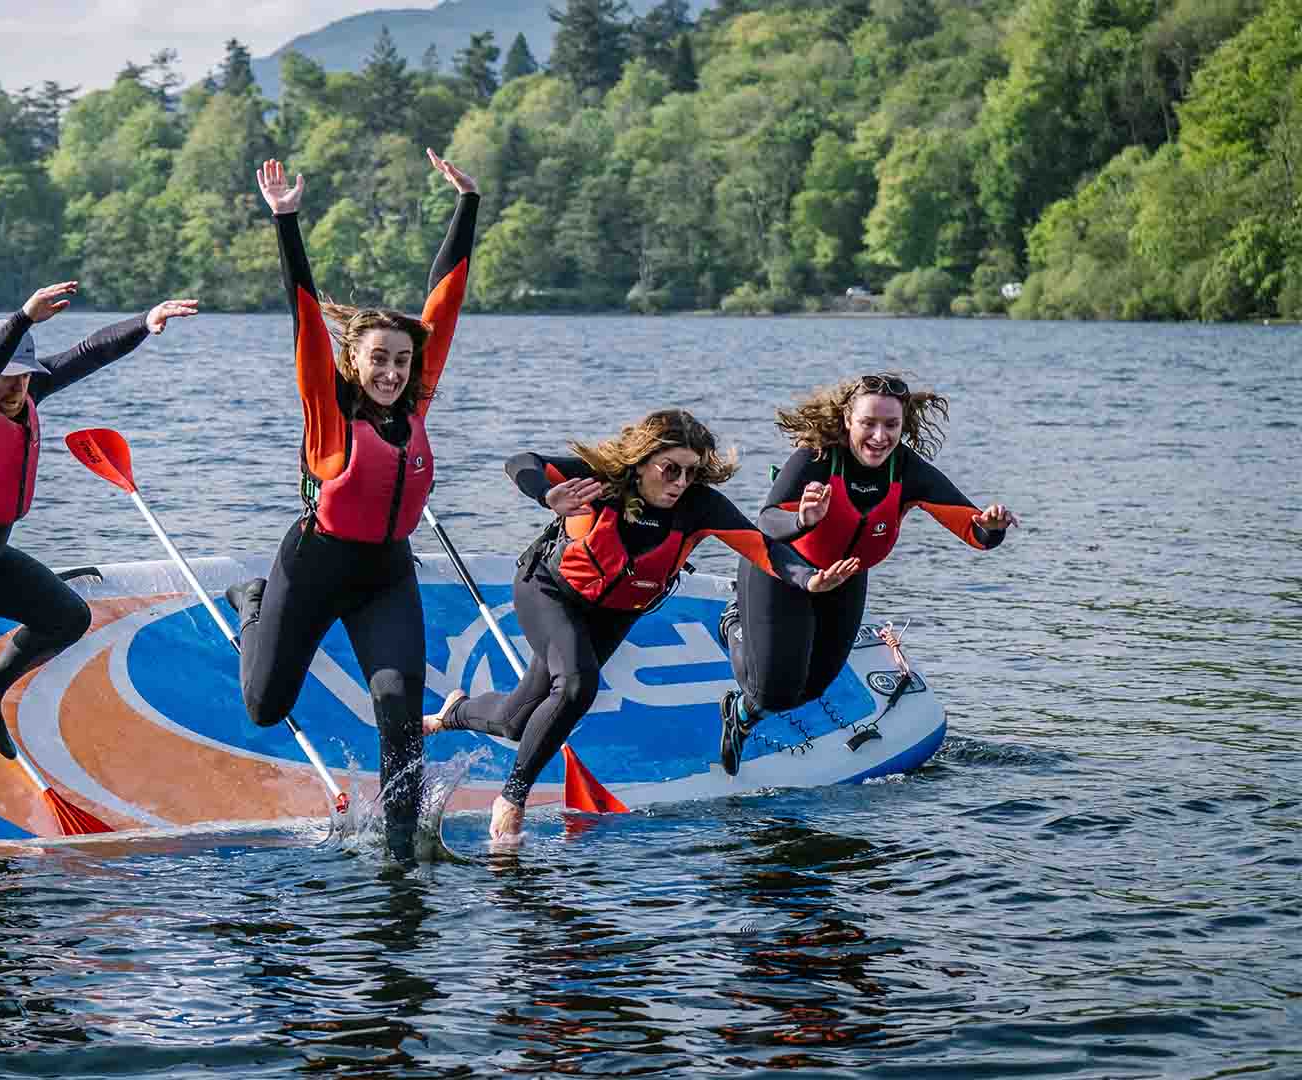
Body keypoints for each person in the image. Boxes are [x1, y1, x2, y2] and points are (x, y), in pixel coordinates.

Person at [0, 282, 200, 844]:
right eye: (7, 377)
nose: (19, 390)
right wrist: (21, 317)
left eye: (26, 378)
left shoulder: (21, 393)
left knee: (67, 618)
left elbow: (88, 353)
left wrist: (146, 320)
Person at [221, 153, 479, 863]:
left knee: (398, 707)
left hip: (385, 575)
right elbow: (303, 311)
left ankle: (402, 854)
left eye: (402, 360)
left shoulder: (418, 397)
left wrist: (468, 205)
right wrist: (286, 221)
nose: (393, 372)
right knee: (265, 708)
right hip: (312, 567)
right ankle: (251, 604)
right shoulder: (329, 413)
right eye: (379, 360)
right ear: (354, 363)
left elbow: (444, 303)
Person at [423, 410, 842, 841]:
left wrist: (808, 578)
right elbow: (520, 462)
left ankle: (453, 712)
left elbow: (762, 548)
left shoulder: (700, 506)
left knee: (515, 721)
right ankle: (512, 798)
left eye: (691, 472)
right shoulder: (600, 480)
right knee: (575, 686)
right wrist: (547, 494)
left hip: (615, 613)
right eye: (670, 469)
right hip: (549, 592)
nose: (681, 482)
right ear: (642, 462)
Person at [718, 372, 1019, 775]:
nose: (880, 436)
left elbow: (973, 530)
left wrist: (992, 529)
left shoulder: (908, 472)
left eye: (891, 425)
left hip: (843, 578)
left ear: (903, 425)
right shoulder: (817, 459)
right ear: (848, 420)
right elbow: (769, 521)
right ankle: (735, 628)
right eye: (868, 424)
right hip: (783, 571)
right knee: (774, 691)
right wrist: (804, 520)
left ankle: (746, 704)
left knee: (812, 687)